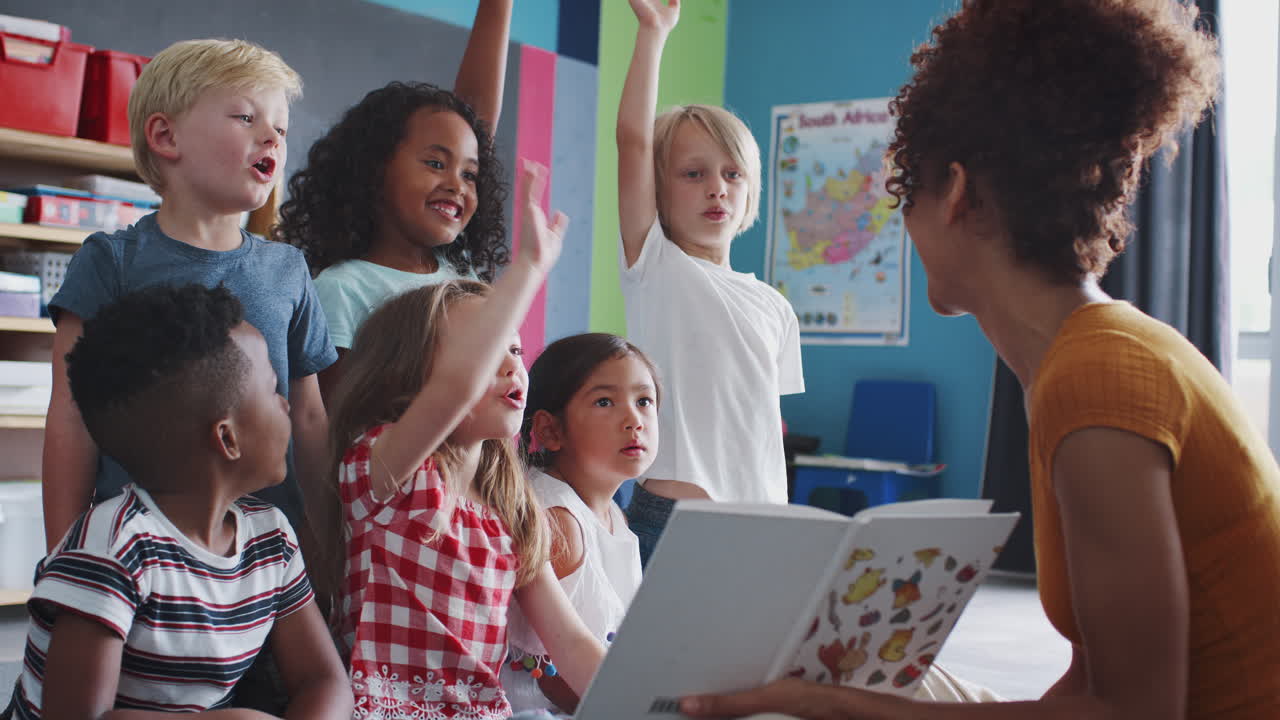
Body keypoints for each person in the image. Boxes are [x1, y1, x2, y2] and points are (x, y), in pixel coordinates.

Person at [680, 1, 1280, 719]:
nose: (905, 228)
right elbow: (1091, 686)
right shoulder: (1087, 357)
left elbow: (1134, 713)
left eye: (908, 195)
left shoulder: (1098, 379)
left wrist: (824, 703)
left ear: (958, 193)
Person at [317, 162, 605, 719]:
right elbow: (455, 390)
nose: (511, 367)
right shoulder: (384, 470)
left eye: (516, 352)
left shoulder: (511, 508)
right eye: (485, 348)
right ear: (412, 375)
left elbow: (571, 644)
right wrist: (526, 270)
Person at [3, 285, 351, 720]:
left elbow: (324, 680)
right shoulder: (113, 549)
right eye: (273, 389)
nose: (286, 404)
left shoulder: (272, 538)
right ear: (227, 438)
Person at [42, 39, 334, 549]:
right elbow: (70, 412)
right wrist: (64, 552)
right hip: (136, 551)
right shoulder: (111, 261)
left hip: (268, 556)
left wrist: (329, 540)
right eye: (245, 117)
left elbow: (309, 415)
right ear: (165, 136)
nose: (271, 136)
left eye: (281, 128)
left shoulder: (288, 269)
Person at [617, 0, 804, 566]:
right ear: (659, 188)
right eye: (693, 174)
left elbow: (763, 428)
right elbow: (632, 141)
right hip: (675, 521)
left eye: (731, 174)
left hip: (760, 522)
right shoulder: (657, 265)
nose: (716, 188)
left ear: (750, 189)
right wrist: (654, 33)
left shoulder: (774, 306)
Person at [273, 0, 514, 402]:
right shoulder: (342, 290)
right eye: (436, 163)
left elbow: (475, 126)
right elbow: (339, 424)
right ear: (374, 170)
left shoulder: (462, 274)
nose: (457, 184)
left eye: (469, 174)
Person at [502, 333, 658, 713]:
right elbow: (556, 678)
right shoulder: (557, 521)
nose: (633, 419)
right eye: (605, 402)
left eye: (644, 401)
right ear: (550, 431)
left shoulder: (615, 515)